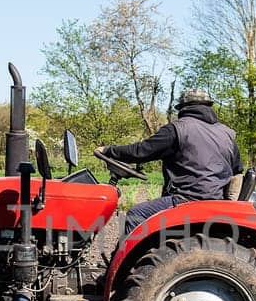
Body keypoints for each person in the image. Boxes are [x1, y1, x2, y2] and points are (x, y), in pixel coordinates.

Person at [94, 89, 243, 233]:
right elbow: (237, 169)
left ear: (184, 107)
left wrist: (108, 150)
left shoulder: (178, 129)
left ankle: (126, 259)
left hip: (188, 199)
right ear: (209, 107)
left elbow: (141, 151)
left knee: (136, 214)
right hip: (216, 200)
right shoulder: (227, 133)